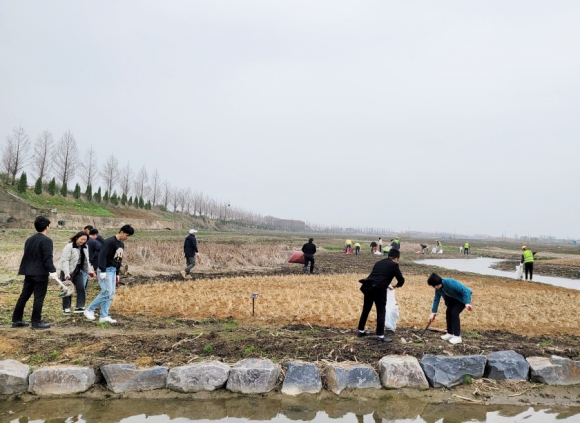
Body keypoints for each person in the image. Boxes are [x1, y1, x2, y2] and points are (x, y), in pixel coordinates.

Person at [12, 216, 58, 329]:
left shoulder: (29, 240)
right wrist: (52, 270)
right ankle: (36, 322)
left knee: (24, 296)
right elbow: (48, 257)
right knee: (39, 297)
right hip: (40, 273)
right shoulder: (46, 240)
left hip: (28, 272)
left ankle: (17, 320)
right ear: (47, 227)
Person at [84, 224, 134, 323]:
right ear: (121, 232)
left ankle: (104, 315)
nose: (127, 238)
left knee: (111, 294)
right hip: (106, 270)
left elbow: (118, 259)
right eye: (126, 235)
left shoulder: (121, 244)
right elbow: (102, 256)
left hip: (113, 270)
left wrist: (117, 273)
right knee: (106, 292)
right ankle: (89, 309)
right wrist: (102, 270)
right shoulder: (110, 241)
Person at [357, 249, 405, 343]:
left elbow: (378, 276)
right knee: (381, 311)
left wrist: (387, 284)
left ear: (388, 255)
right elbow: (401, 279)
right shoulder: (394, 265)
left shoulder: (379, 262)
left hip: (368, 286)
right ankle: (380, 335)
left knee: (366, 309)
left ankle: (361, 331)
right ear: (396, 258)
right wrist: (396, 286)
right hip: (378, 289)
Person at [427, 273, 473, 345]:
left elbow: (464, 291)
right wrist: (433, 312)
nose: (436, 287)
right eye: (434, 286)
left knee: (454, 313)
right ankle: (450, 333)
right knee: (448, 312)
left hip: (462, 298)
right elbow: (436, 299)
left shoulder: (450, 282)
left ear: (440, 282)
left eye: (437, 285)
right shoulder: (437, 289)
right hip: (452, 299)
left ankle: (457, 336)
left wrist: (467, 303)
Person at [59, 231, 94, 315]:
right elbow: (65, 260)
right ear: (77, 238)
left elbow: (86, 260)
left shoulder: (85, 247)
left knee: (81, 287)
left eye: (85, 240)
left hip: (78, 270)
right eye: (81, 239)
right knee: (67, 289)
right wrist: (67, 273)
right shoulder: (69, 246)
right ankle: (66, 308)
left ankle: (80, 306)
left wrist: (90, 271)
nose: (83, 241)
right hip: (68, 270)